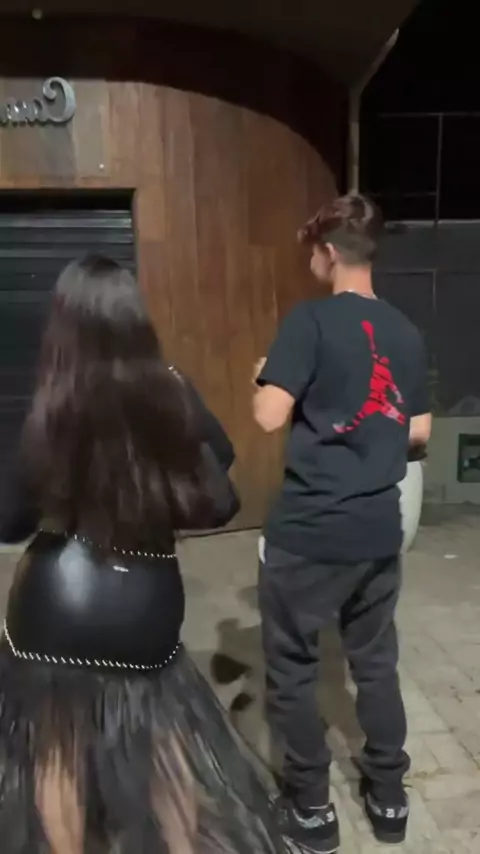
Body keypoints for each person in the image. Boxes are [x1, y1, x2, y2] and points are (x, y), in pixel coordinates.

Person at [0, 255, 282, 854]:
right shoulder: (171, 389)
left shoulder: (51, 402)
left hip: (55, 607)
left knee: (58, 755)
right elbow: (220, 487)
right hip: (145, 608)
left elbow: (9, 521)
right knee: (163, 747)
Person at [253, 193, 431, 854]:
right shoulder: (405, 332)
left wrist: (265, 378)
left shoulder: (310, 322)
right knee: (376, 665)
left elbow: (268, 416)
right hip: (378, 529)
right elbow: (418, 433)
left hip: (311, 532)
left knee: (294, 671)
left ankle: (311, 811)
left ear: (329, 252)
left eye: (312, 252)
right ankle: (389, 800)